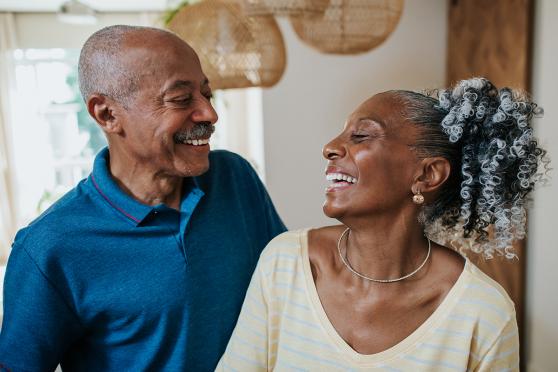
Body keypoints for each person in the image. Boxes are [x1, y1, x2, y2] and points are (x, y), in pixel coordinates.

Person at [0, 25, 285, 371]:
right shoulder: (49, 248)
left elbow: (290, 285)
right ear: (107, 114)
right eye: (180, 100)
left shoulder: (235, 178)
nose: (210, 114)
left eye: (206, 94)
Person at [217, 77, 546, 371]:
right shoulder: (284, 263)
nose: (329, 147)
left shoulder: (483, 315)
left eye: (361, 135)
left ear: (427, 175)